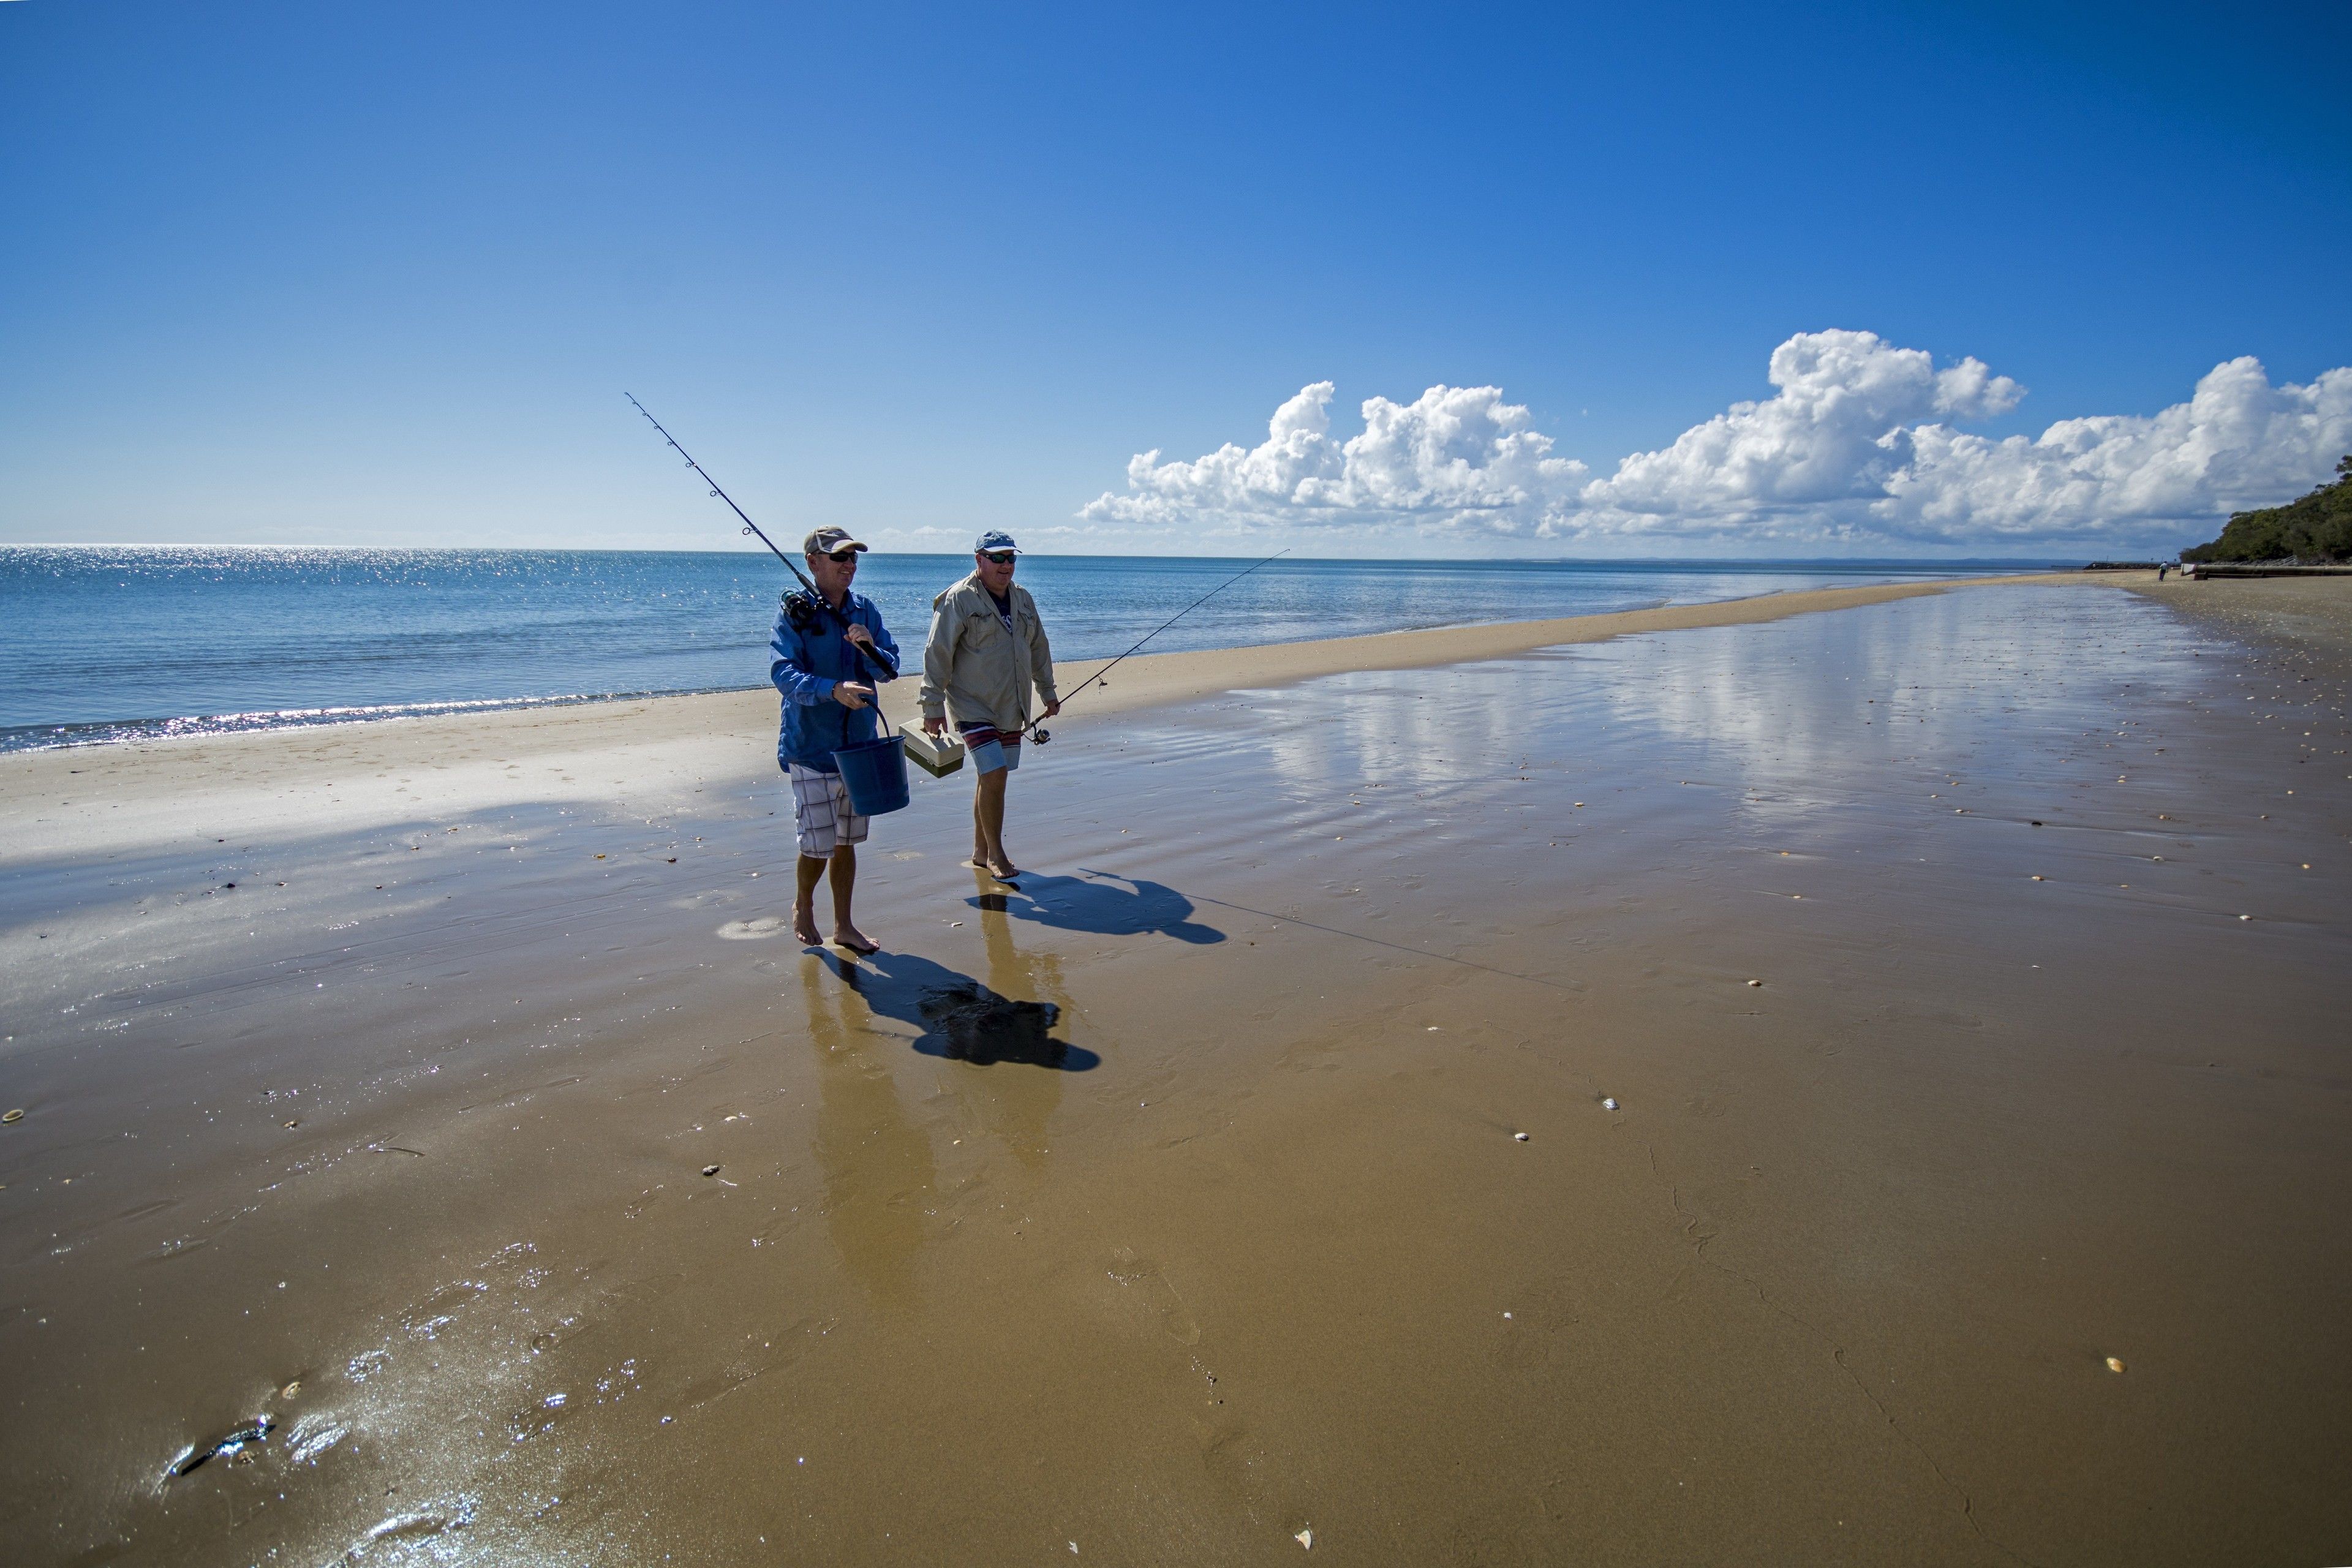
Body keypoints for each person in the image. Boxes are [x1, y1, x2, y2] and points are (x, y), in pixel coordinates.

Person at [770, 526, 900, 953]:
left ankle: (845, 925)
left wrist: (869, 649)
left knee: (847, 842)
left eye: (853, 558)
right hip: (811, 748)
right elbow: (783, 674)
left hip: (858, 749)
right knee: (818, 844)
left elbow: (890, 667)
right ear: (813, 562)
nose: (849, 565)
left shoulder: (866, 611)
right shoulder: (796, 614)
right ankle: (803, 902)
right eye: (839, 557)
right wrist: (832, 689)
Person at [921, 530, 1060, 881]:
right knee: (994, 772)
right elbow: (937, 653)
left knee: (992, 775)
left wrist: (1048, 692)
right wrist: (932, 705)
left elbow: (1039, 648)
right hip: (972, 706)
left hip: (1012, 705)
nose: (1005, 565)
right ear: (979, 559)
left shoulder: (1024, 599)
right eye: (997, 558)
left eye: (1011, 558)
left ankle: (981, 851)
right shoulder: (958, 600)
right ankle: (997, 854)